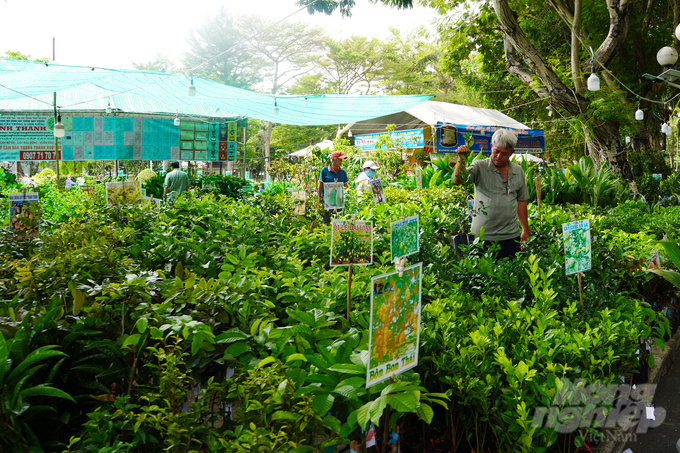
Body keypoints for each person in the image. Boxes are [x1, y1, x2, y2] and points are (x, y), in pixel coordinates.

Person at [453, 128, 530, 259]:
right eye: (496, 151)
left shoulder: (518, 171)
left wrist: (525, 230)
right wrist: (461, 159)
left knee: (509, 275)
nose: (499, 156)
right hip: (481, 237)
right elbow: (459, 180)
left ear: (512, 153)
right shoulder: (479, 166)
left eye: (504, 154)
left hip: (510, 236)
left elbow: (521, 201)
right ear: (491, 146)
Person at [318, 150, 349, 223]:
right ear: (333, 160)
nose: (341, 162)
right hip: (326, 202)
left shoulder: (342, 172)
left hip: (339, 202)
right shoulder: (324, 171)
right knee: (327, 221)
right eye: (339, 160)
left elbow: (346, 187)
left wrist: (347, 198)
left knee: (338, 221)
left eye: (341, 160)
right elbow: (320, 186)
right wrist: (319, 199)